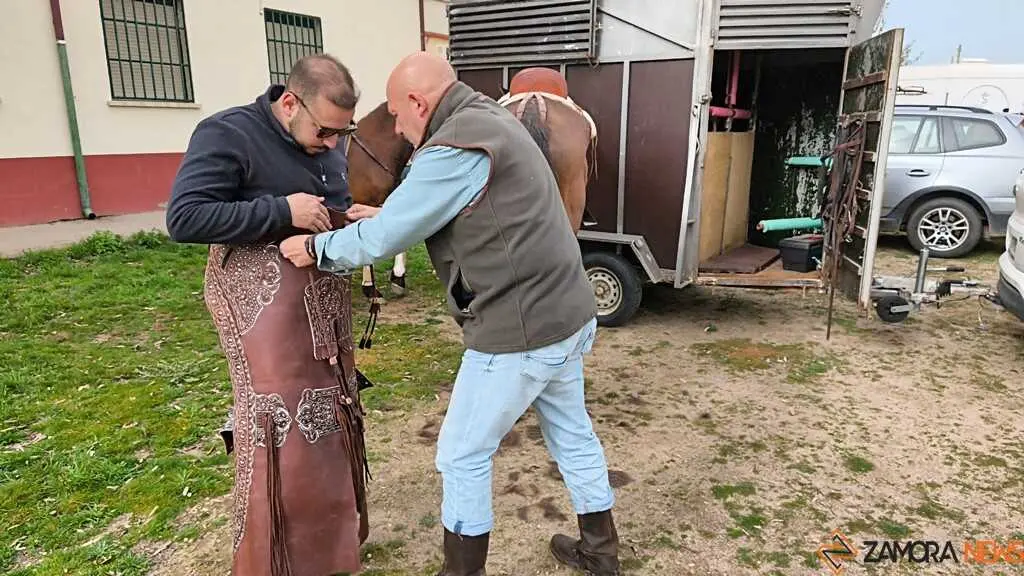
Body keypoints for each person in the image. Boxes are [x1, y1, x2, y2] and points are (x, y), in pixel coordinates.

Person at [280, 52, 622, 576]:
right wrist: (390, 213)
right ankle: (600, 551)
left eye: (396, 113)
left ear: (418, 102)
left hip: (520, 329)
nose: (394, 124)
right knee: (572, 434)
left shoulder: (453, 146)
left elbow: (385, 239)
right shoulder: (487, 118)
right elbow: (455, 206)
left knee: (461, 456)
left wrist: (318, 249)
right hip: (568, 315)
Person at [166, 53, 372, 576]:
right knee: (277, 424)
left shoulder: (328, 140)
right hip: (262, 309)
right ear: (288, 102)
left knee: (332, 410)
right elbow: (185, 218)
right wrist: (281, 210)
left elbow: (331, 204)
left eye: (341, 133)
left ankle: (331, 546)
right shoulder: (227, 133)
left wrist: (354, 220)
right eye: (325, 131)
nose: (332, 143)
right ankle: (273, 558)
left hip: (322, 302)